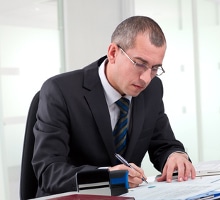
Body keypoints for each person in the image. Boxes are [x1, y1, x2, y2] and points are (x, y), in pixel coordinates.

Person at [32, 15, 196, 197]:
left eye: (155, 68)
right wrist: (106, 176)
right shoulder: (60, 91)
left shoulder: (152, 90)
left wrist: (175, 155)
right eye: (140, 64)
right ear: (113, 53)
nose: (146, 79)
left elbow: (163, 144)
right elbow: (49, 172)